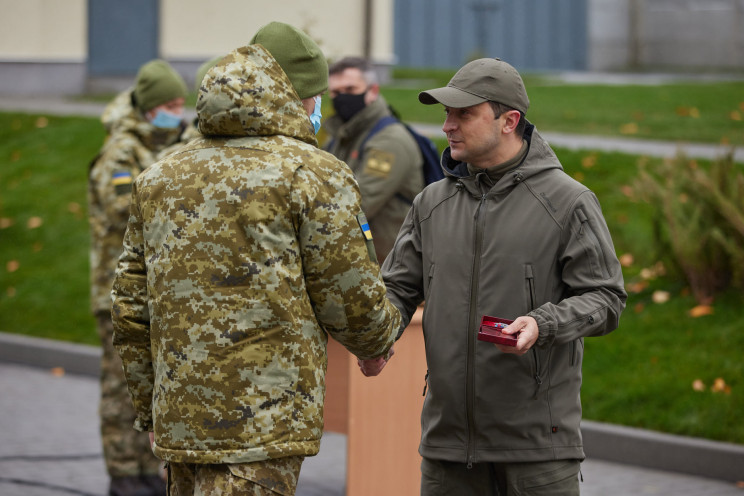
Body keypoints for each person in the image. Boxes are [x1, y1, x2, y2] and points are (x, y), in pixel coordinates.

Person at [111, 21, 400, 495]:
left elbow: (129, 305)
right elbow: (345, 288)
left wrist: (151, 407)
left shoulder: (160, 176)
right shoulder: (313, 174)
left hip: (181, 421)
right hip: (264, 424)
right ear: (301, 98)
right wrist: (375, 346)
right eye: (317, 97)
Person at [361, 58, 627, 495]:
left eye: (463, 114)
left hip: (537, 451)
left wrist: (545, 323)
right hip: (447, 449)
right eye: (446, 114)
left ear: (510, 121)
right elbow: (398, 288)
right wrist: (377, 337)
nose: (448, 126)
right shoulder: (430, 203)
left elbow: (606, 297)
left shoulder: (567, 201)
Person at [88, 59, 188, 496]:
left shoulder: (177, 142)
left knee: (156, 385)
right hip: (119, 291)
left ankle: (150, 470)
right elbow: (121, 207)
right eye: (168, 103)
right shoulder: (121, 151)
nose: (176, 110)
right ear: (149, 107)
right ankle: (124, 471)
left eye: (181, 102)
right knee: (121, 386)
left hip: (159, 290)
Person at [324, 56, 424, 263]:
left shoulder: (389, 141)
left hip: (392, 270)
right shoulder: (341, 136)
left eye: (350, 90)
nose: (342, 98)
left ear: (373, 91)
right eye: (335, 92)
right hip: (360, 262)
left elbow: (357, 205)